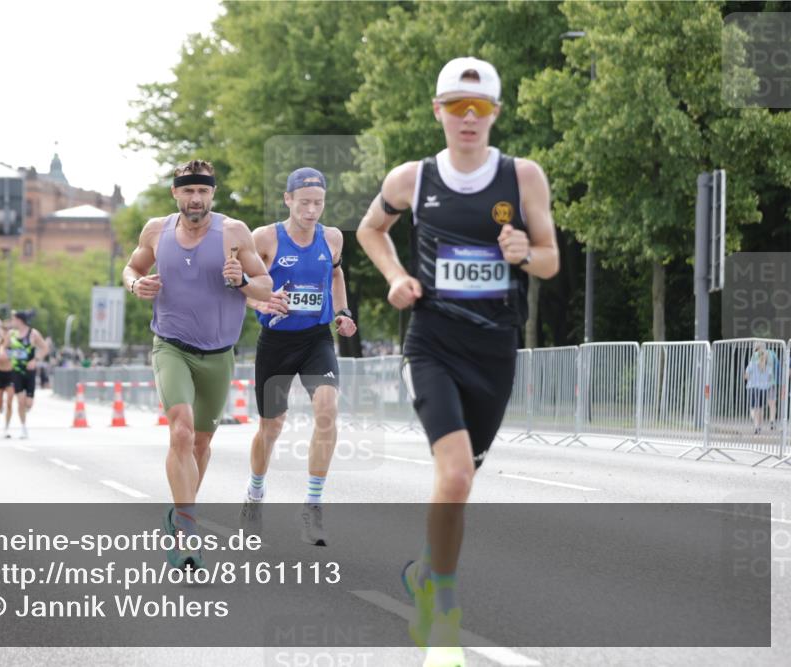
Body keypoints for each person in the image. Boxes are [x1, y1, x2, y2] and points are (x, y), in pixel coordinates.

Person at [357, 57, 559, 664]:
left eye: (479, 108)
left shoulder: (523, 177)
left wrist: (526, 252)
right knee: (455, 475)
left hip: (495, 349)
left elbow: (550, 260)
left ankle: (425, 572)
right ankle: (441, 621)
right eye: (455, 106)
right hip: (433, 342)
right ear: (438, 111)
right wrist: (395, 277)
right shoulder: (412, 179)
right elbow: (371, 230)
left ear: (495, 113)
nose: (467, 118)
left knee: (459, 484)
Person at [123, 158, 272, 570]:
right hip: (171, 346)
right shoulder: (156, 230)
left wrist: (241, 280)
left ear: (212, 194)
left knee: (202, 443)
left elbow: (265, 285)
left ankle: (180, 513)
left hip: (219, 354)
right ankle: (188, 528)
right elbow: (132, 267)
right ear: (175, 193)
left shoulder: (235, 233)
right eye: (188, 191)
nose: (196, 198)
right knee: (182, 432)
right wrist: (137, 283)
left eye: (203, 191)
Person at [239, 167, 357, 545]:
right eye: (304, 202)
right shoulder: (265, 238)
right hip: (275, 342)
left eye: (318, 203)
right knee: (271, 427)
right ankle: (255, 493)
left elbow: (336, 276)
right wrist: (262, 298)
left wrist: (343, 313)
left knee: (327, 410)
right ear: (288, 200)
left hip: (315, 340)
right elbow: (239, 283)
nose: (311, 210)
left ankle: (313, 505)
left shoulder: (333, 238)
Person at [0, 310, 48, 440]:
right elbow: (3, 347)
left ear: (19, 320)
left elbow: (45, 348)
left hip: (30, 372)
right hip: (16, 371)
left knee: (28, 404)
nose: (12, 322)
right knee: (20, 401)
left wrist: (36, 359)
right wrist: (4, 353)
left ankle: (25, 412)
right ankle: (23, 427)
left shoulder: (33, 334)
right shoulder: (11, 334)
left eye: (13, 319)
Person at [745, 343, 773, 435]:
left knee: (753, 408)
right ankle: (759, 427)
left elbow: (746, 376)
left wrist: (751, 378)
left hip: (753, 387)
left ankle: (756, 425)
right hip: (763, 389)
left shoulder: (752, 364)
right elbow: (769, 378)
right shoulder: (768, 366)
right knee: (760, 408)